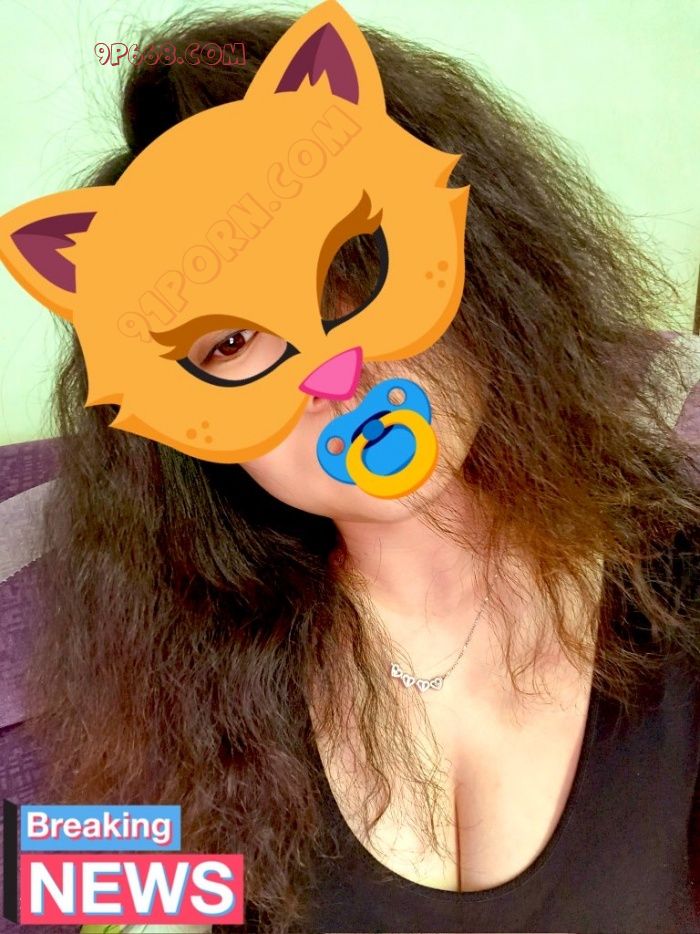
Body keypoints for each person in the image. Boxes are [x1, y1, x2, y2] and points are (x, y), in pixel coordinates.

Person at [10, 6, 699, 934]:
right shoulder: (184, 663)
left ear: (482, 264)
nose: (334, 376)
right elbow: (80, 881)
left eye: (353, 262)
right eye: (231, 342)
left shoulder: (679, 576)